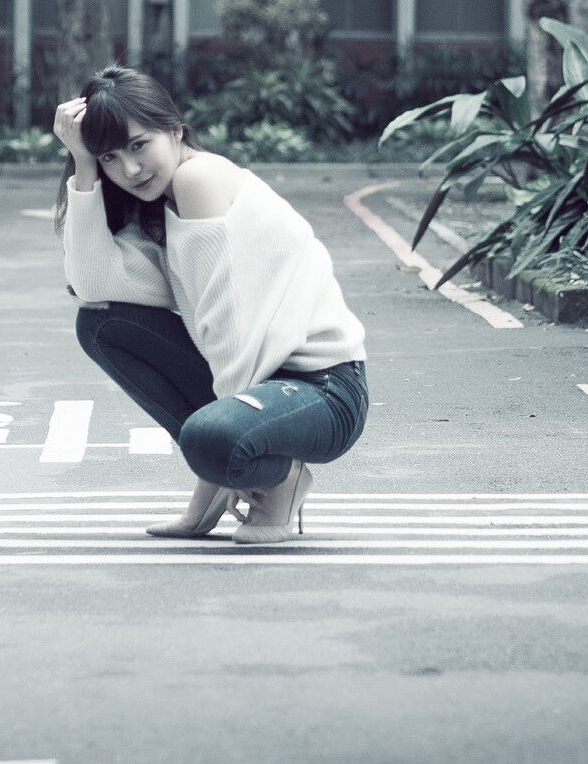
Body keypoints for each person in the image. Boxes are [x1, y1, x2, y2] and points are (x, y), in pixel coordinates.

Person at [51, 65, 369, 545]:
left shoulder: (200, 179)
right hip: (261, 386)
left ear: (175, 129)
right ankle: (243, 460)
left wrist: (218, 465)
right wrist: (82, 164)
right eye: (111, 158)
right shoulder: (159, 204)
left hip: (323, 391)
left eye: (139, 145)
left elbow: (231, 330)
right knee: (101, 325)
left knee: (211, 439)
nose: (130, 170)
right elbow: (94, 286)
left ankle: (278, 478)